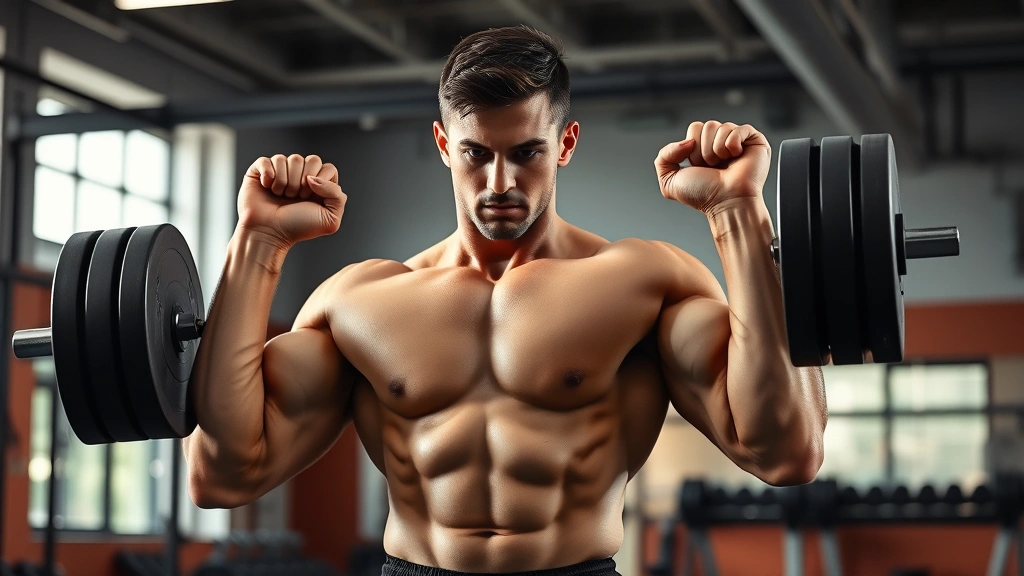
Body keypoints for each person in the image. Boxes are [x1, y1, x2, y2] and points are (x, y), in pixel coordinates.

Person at [183, 25, 827, 576]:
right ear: (443, 145)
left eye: (526, 154)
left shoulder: (643, 284)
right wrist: (259, 242)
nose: (499, 183)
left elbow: (784, 450)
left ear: (565, 144)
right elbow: (223, 476)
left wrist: (736, 212)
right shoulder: (363, 300)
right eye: (475, 154)